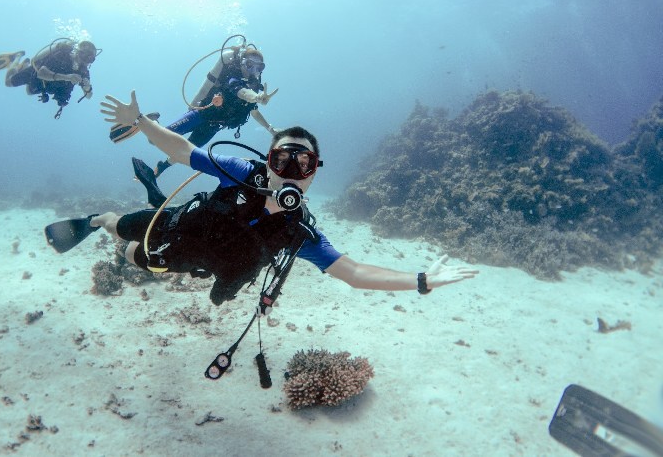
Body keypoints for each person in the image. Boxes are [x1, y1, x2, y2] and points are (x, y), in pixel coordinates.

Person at [85, 91, 479, 307]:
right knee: (122, 236)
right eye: (281, 159)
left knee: (163, 270)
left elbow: (354, 273)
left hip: (205, 265)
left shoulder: (298, 231)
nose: (290, 171)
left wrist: (421, 280)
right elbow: (182, 149)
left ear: (314, 172)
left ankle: (139, 219)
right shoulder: (241, 171)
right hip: (178, 229)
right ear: (268, 161)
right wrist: (142, 122)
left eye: (303, 163)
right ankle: (102, 218)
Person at [151, 46, 279, 176]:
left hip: (212, 128)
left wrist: (270, 128)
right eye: (250, 64)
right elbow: (240, 91)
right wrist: (256, 97)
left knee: (184, 153)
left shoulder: (254, 88)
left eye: (259, 67)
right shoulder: (232, 77)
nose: (253, 70)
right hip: (200, 115)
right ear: (241, 62)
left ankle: (160, 168)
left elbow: (254, 111)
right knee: (156, 137)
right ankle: (152, 122)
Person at [0, 38, 98, 119]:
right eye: (85, 56)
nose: (86, 61)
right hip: (37, 73)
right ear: (79, 52)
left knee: (29, 91)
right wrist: (67, 77)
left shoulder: (83, 71)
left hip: (45, 84)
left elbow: (89, 96)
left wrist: (87, 88)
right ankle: (17, 57)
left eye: (91, 59)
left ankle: (24, 65)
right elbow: (41, 73)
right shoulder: (62, 55)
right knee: (8, 82)